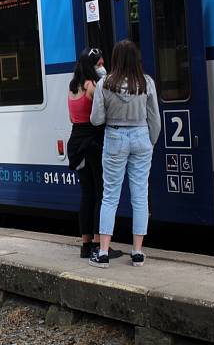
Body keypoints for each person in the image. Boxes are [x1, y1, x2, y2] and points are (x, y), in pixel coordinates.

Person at [88, 40, 160, 268]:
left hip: (115, 138)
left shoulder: (104, 84)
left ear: (115, 59)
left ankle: (103, 253)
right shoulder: (146, 82)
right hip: (141, 136)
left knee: (110, 196)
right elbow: (154, 118)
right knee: (140, 196)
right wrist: (151, 141)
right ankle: (137, 253)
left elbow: (96, 120)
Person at [66, 48, 107, 258]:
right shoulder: (92, 86)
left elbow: (72, 119)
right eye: (99, 64)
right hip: (92, 143)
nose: (101, 66)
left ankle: (86, 244)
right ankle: (100, 243)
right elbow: (100, 114)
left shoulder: (72, 88)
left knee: (86, 193)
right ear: (92, 66)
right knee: (100, 192)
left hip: (76, 143)